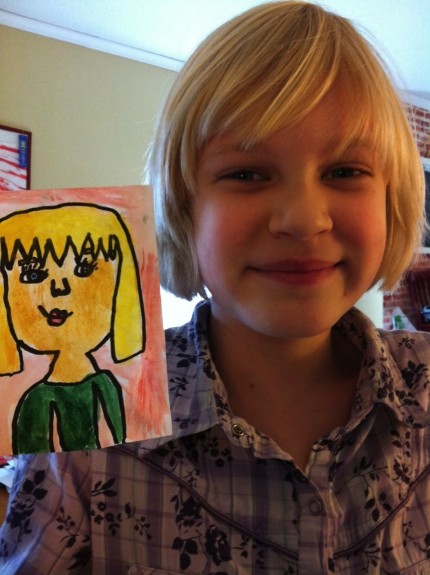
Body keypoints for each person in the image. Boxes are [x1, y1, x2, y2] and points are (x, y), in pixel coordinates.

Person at [0, 1, 429, 573]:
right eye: (246, 174)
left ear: (392, 198)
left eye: (345, 172)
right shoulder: (88, 437)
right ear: (184, 209)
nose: (304, 220)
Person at [0, 204, 145, 453]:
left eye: (84, 270)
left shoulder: (107, 385)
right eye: (33, 276)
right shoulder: (38, 399)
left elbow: (124, 440)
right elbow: (32, 460)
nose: (59, 288)